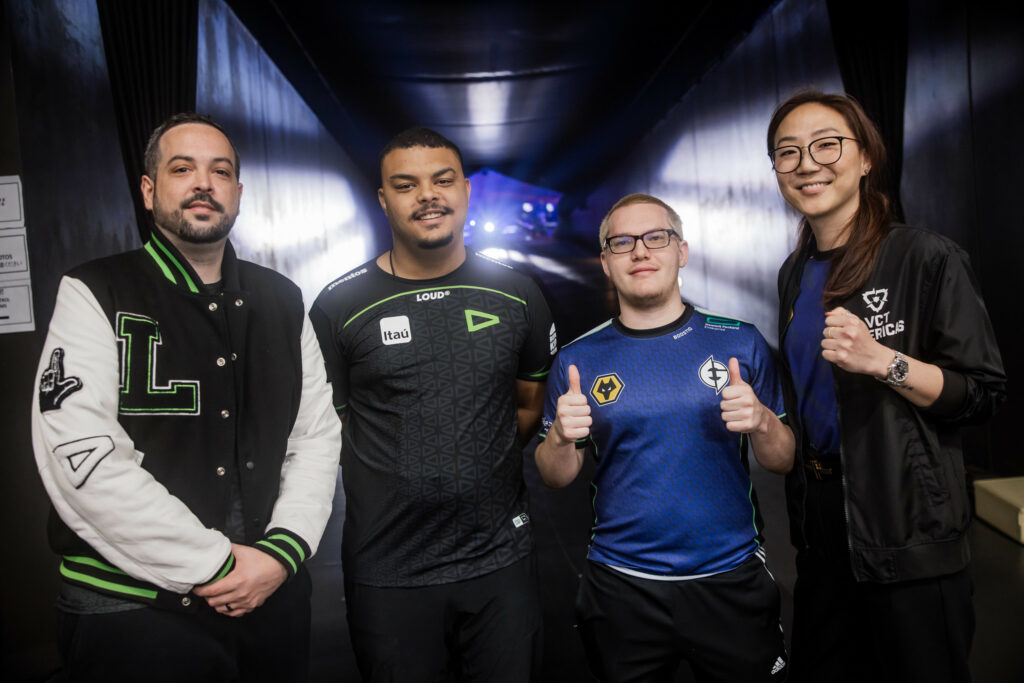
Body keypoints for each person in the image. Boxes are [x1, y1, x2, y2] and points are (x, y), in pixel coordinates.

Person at [31, 113, 341, 682]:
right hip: (131, 608)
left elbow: (315, 437)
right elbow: (82, 454)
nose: (204, 183)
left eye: (220, 171)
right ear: (149, 191)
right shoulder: (93, 290)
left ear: (238, 194)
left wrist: (280, 553)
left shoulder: (283, 300)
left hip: (271, 596)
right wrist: (217, 564)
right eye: (182, 169)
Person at [767, 91, 1007, 683]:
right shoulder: (794, 274)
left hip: (908, 523)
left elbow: (982, 394)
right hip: (822, 525)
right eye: (787, 152)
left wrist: (884, 362)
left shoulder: (925, 258)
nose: (807, 163)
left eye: (827, 145)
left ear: (866, 157)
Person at [310, 127, 556, 681]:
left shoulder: (519, 295)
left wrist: (469, 458)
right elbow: (335, 432)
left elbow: (526, 407)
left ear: (465, 190)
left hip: (499, 561)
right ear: (383, 199)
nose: (428, 195)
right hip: (387, 567)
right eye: (406, 184)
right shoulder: (338, 306)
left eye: (442, 180)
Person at [535, 193, 794, 682]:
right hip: (622, 587)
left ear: (682, 251)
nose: (640, 251)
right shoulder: (577, 360)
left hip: (730, 578)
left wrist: (761, 420)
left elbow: (782, 460)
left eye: (656, 237)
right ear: (606, 262)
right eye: (623, 242)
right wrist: (560, 440)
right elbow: (554, 476)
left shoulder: (738, 340)